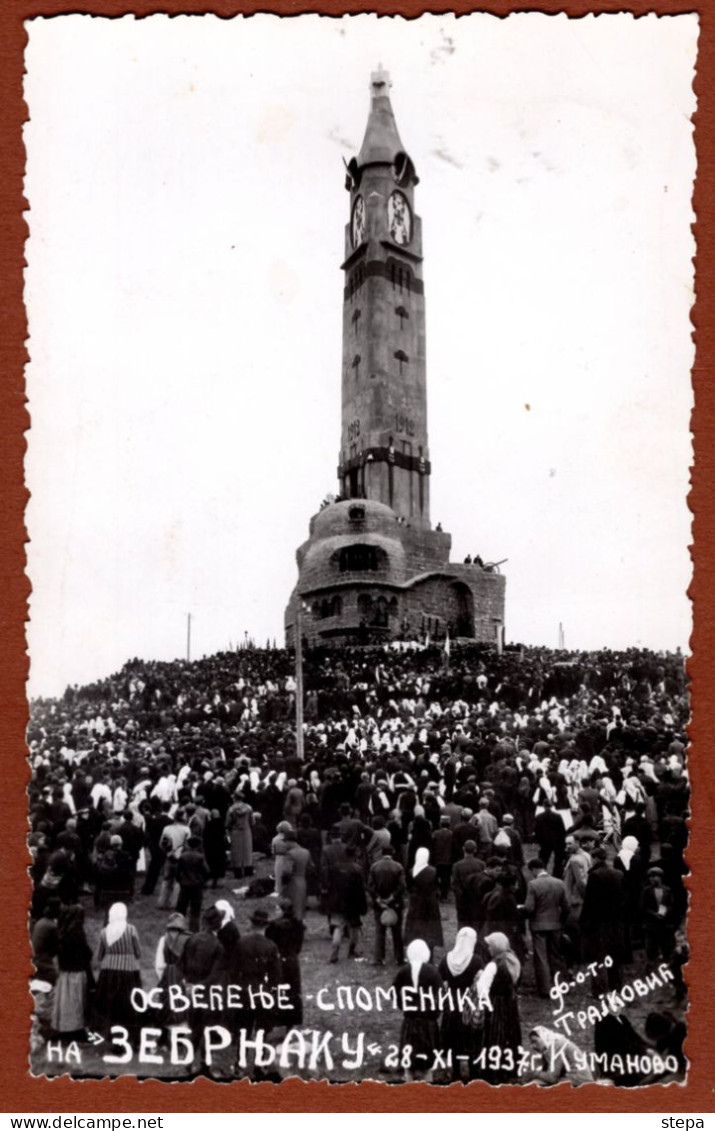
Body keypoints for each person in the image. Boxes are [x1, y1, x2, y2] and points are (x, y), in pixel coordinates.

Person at [392, 939, 443, 1082]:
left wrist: (403, 1006)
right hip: (428, 1021)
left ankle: (408, 1081)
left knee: (409, 1055)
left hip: (410, 1020)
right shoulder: (432, 971)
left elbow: (394, 992)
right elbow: (441, 995)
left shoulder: (404, 971)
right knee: (428, 1057)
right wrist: (435, 1012)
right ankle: (428, 1083)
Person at [474, 932, 522, 1084]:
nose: (488, 948)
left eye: (490, 945)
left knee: (495, 1036)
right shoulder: (513, 960)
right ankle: (510, 1068)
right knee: (510, 1034)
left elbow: (482, 988)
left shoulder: (494, 964)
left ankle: (494, 1070)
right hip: (510, 1003)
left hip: (495, 1003)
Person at [437, 927, 483, 1081]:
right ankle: (472, 1072)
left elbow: (440, 981)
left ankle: (455, 1071)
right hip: (468, 1005)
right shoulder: (476, 960)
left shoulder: (446, 959)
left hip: (451, 1005)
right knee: (471, 1040)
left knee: (452, 1040)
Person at [92, 902, 142, 1039]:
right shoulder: (131, 929)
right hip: (128, 971)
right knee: (128, 1002)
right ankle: (130, 1032)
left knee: (110, 1003)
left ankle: (109, 1032)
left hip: (108, 972)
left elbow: (99, 955)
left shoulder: (104, 931)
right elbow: (138, 952)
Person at [522, 858, 568, 998]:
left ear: (534, 869)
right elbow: (565, 906)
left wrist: (522, 910)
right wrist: (561, 920)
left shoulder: (533, 885)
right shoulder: (559, 883)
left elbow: (529, 908)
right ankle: (560, 985)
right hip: (555, 923)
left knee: (541, 957)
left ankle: (545, 988)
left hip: (539, 925)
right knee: (556, 956)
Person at [51, 904, 93, 1039]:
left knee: (65, 1002)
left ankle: (64, 1028)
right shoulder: (77, 934)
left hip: (65, 972)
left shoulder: (61, 932)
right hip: (76, 971)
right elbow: (87, 953)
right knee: (76, 1002)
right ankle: (76, 1030)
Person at [265, 897, 305, 1027]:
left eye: (278, 908)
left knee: (276, 991)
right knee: (292, 992)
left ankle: (274, 1021)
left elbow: (269, 943)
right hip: (292, 962)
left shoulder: (273, 926)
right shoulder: (298, 924)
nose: (276, 910)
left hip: (277, 961)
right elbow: (299, 945)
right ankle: (291, 1023)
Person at [154, 912, 192, 1034]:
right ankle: (180, 1037)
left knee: (166, 1003)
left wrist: (162, 978)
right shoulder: (189, 940)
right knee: (182, 1005)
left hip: (168, 975)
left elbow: (159, 964)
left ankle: (164, 1036)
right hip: (182, 976)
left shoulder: (163, 939)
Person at [368, 844, 406, 966]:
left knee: (379, 931)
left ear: (381, 853)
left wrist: (378, 899)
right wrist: (392, 897)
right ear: (392, 852)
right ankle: (399, 958)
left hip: (379, 903)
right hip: (395, 904)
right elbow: (402, 886)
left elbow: (370, 886)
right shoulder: (398, 866)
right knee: (397, 932)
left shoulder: (374, 867)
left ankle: (378, 958)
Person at [404, 847, 443, 957]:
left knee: (416, 929)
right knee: (429, 929)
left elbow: (409, 887)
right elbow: (436, 887)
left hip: (416, 903)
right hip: (430, 903)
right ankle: (429, 955)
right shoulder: (433, 871)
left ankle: (414, 953)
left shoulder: (411, 871)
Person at [528, 1025, 594, 1085]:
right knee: (534, 1084)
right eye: (531, 1043)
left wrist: (535, 1073)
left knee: (536, 1086)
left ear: (544, 1037)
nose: (533, 1046)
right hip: (572, 1080)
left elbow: (551, 1078)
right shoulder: (550, 1047)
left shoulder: (557, 1045)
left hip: (580, 1081)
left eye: (535, 1041)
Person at [175, 835, 209, 932]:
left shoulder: (183, 856)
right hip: (197, 886)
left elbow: (178, 872)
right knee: (195, 910)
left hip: (185, 885)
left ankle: (178, 928)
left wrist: (180, 880)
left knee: (181, 909)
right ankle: (193, 930)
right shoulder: (200, 857)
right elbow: (206, 871)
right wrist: (202, 881)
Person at [279, 827, 311, 921]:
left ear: (290, 841)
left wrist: (282, 885)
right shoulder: (306, 852)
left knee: (290, 909)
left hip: (292, 883)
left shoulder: (290, 854)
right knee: (300, 909)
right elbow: (310, 868)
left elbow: (287, 872)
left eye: (285, 841)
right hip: (303, 882)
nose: (285, 844)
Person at [226, 792, 254, 879]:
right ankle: (248, 870)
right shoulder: (249, 808)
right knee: (247, 851)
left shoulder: (231, 809)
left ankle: (238, 872)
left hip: (235, 832)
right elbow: (252, 821)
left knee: (236, 852)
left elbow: (227, 823)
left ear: (235, 798)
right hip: (246, 830)